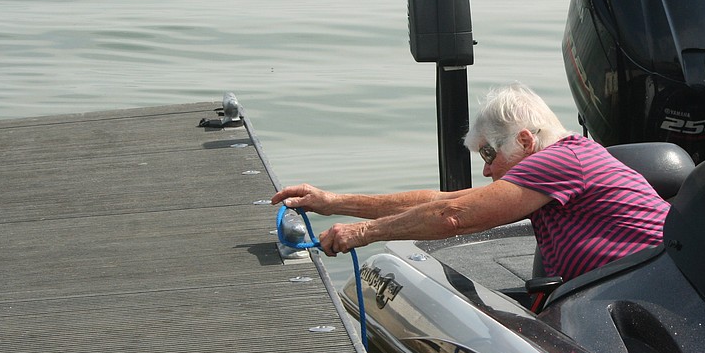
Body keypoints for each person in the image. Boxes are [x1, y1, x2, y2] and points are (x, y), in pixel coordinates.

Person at [272, 83, 670, 283]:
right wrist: (331, 201)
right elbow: (441, 199)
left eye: (487, 155)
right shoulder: (557, 163)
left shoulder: (562, 158)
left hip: (663, 283)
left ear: (525, 141)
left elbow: (453, 217)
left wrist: (363, 233)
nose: (486, 170)